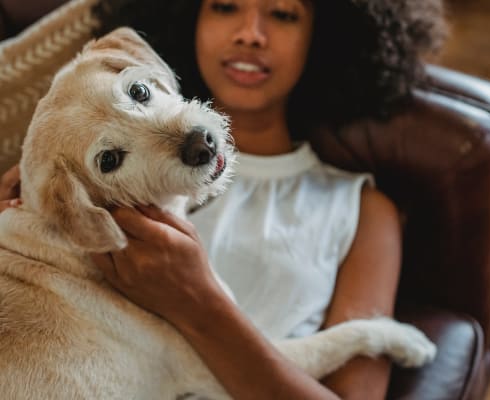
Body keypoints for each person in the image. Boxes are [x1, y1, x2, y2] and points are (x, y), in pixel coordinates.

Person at [0, 0, 445, 398]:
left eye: (283, 13)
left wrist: (198, 301)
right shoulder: (91, 190)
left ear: (323, 34)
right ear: (190, 18)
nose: (250, 32)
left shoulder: (360, 209)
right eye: (225, 6)